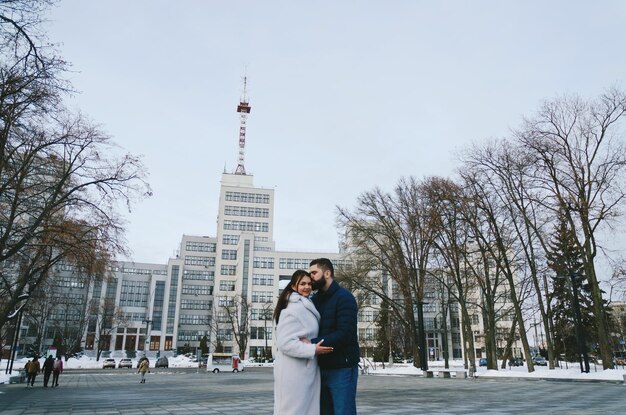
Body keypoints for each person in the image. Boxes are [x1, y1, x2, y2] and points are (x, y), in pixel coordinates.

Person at [273, 270, 333, 415]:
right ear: (294, 286)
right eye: (302, 284)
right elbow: (285, 343)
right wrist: (312, 349)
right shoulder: (292, 309)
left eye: (309, 284)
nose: (307, 287)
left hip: (304, 371)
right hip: (293, 372)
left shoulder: (305, 305)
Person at [309, 258, 360, 415]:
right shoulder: (314, 300)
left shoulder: (345, 297)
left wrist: (311, 344)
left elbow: (344, 333)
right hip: (320, 368)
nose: (310, 277)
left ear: (327, 273)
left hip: (342, 368)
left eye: (314, 273)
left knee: (343, 411)